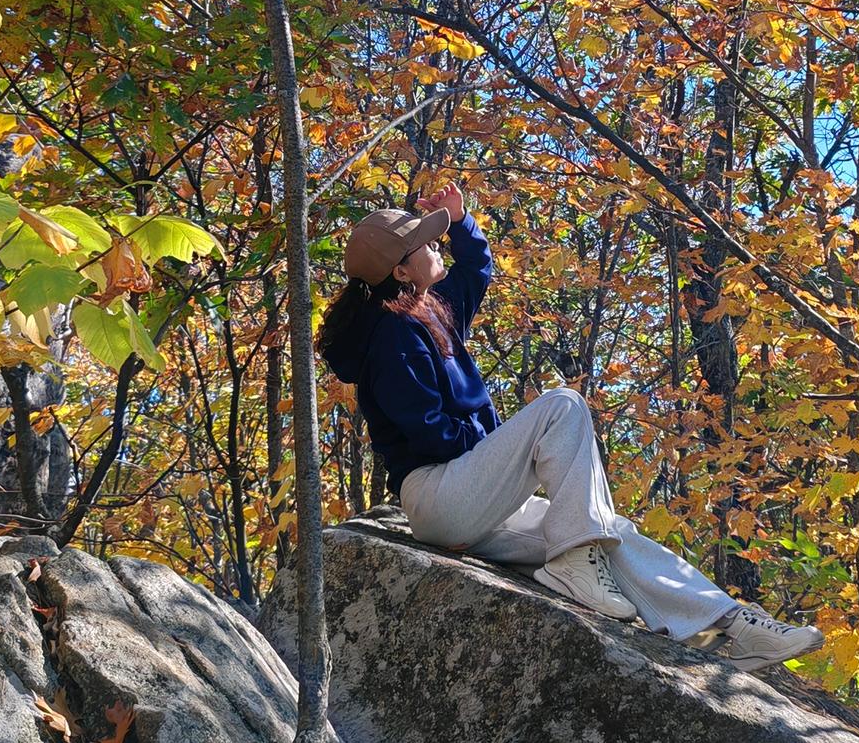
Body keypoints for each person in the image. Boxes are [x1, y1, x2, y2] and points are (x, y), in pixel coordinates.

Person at [315, 181, 824, 672]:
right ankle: (579, 569)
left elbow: (476, 270)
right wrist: (507, 450)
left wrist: (460, 219)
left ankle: (730, 627)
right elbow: (430, 433)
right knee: (563, 406)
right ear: (402, 271)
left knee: (602, 531)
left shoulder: (429, 312)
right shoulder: (392, 335)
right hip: (439, 494)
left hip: (471, 497)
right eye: (424, 243)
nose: (435, 244)